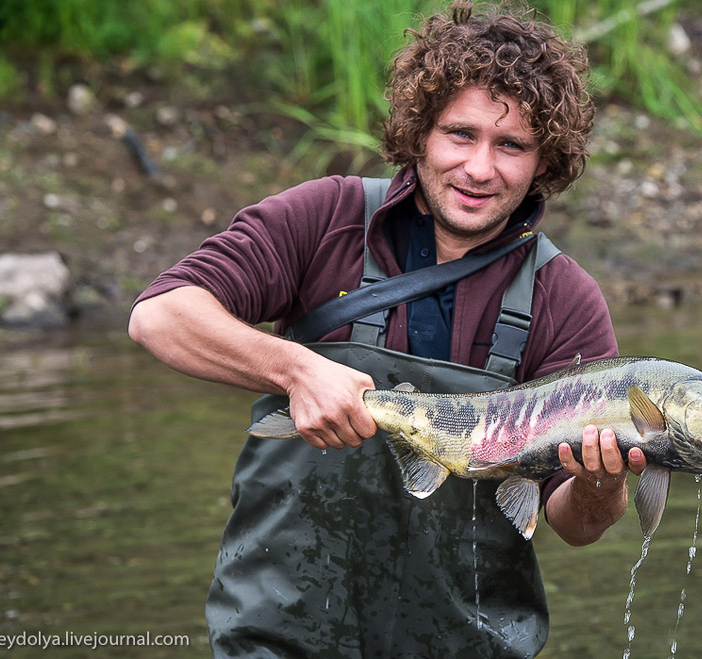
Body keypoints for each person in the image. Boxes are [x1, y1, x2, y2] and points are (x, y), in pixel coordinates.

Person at [129, 2, 647, 656]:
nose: (480, 168)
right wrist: (295, 368)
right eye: (461, 134)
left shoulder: (565, 297)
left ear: (545, 161)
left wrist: (602, 485)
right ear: (420, 131)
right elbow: (160, 315)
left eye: (510, 144)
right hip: (280, 637)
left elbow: (574, 523)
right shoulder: (325, 218)